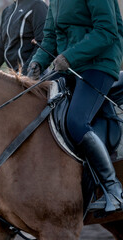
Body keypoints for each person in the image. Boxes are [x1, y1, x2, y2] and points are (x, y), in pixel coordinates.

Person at [28, 0, 123, 212]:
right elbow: (51, 36)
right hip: (67, 67)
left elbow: (107, 31)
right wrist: (37, 63)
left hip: (98, 64)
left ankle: (113, 188)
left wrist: (70, 56)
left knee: (76, 121)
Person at [0, 0, 48, 75]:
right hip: (14, 76)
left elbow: (43, 42)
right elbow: (0, 48)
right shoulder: (7, 11)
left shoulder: (38, 5)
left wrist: (25, 72)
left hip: (34, 74)